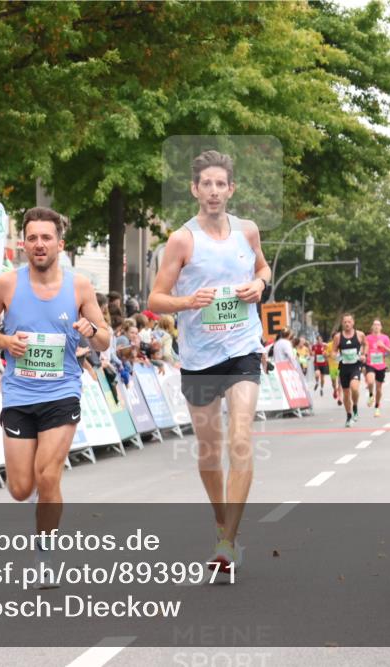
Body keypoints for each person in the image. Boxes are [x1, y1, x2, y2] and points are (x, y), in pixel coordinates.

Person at [0, 206, 110, 588]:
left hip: (62, 391)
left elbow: (104, 340)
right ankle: (40, 502)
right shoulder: (6, 284)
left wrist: (91, 329)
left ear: (59, 244)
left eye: (46, 237)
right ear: (23, 244)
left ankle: (45, 555)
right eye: (32, 237)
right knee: (21, 489)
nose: (39, 244)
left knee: (48, 475)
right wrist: (5, 341)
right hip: (19, 393)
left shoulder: (79, 286)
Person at [147, 150, 269, 573]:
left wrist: (259, 285)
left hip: (242, 349)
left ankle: (228, 542)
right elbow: (155, 298)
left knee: (241, 437)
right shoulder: (182, 240)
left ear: (231, 189)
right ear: (195, 189)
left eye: (221, 184)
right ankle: (221, 524)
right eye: (206, 184)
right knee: (209, 450)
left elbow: (264, 269)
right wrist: (187, 301)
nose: (214, 191)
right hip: (200, 357)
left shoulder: (247, 231)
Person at [332, 314, 366, 427]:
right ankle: (349, 415)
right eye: (345, 322)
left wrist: (364, 354)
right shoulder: (338, 337)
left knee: (354, 387)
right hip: (344, 367)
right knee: (346, 394)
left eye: (349, 322)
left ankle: (355, 406)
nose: (347, 324)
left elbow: (366, 344)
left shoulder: (360, 334)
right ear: (342, 323)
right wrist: (334, 355)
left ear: (353, 323)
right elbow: (333, 350)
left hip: (355, 366)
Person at [364, 319, 390, 417]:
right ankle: (371, 395)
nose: (376, 326)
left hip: (381, 366)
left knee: (379, 389)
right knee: (370, 382)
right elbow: (364, 349)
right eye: (375, 325)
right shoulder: (367, 338)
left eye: (378, 325)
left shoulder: (385, 338)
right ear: (372, 327)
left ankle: (377, 407)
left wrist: (383, 346)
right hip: (370, 364)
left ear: (381, 327)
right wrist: (364, 355)